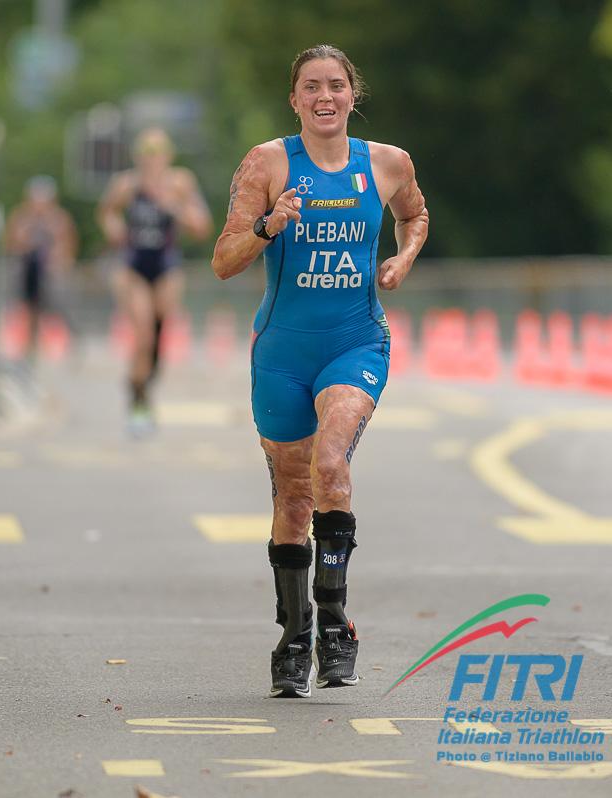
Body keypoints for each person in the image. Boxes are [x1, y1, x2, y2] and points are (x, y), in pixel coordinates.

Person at [211, 45, 429, 697]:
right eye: (312, 87)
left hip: (355, 342)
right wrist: (268, 225)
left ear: (352, 95)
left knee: (330, 465)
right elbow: (224, 259)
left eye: (336, 86)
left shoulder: (387, 164)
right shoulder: (268, 163)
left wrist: (403, 258)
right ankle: (294, 631)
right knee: (292, 499)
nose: (325, 97)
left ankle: (335, 623)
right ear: (295, 100)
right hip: (281, 350)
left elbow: (414, 214)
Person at [97, 127, 211, 435]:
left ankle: (143, 383)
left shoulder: (180, 182)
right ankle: (138, 401)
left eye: (157, 154)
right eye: (146, 155)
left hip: (166, 266)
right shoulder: (126, 184)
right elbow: (106, 212)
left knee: (159, 335)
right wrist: (114, 228)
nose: (152, 161)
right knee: (143, 333)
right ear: (137, 158)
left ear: (168, 156)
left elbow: (202, 226)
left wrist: (173, 206)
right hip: (133, 266)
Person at [4, 175, 77, 356]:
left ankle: (63, 343)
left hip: (50, 274)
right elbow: (12, 243)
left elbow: (68, 244)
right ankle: (29, 345)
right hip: (28, 271)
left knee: (54, 308)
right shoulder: (22, 217)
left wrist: (59, 260)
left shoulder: (59, 219)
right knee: (27, 306)